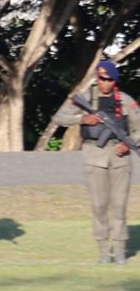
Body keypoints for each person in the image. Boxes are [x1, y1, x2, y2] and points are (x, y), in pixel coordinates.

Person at [54, 59, 140, 264]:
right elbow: (59, 117)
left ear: (115, 80)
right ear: (96, 77)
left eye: (109, 79)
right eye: (101, 78)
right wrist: (82, 119)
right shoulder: (85, 98)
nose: (105, 83)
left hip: (120, 157)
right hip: (94, 156)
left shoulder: (125, 100)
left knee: (119, 206)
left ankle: (120, 252)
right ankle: (103, 252)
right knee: (99, 206)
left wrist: (129, 144)